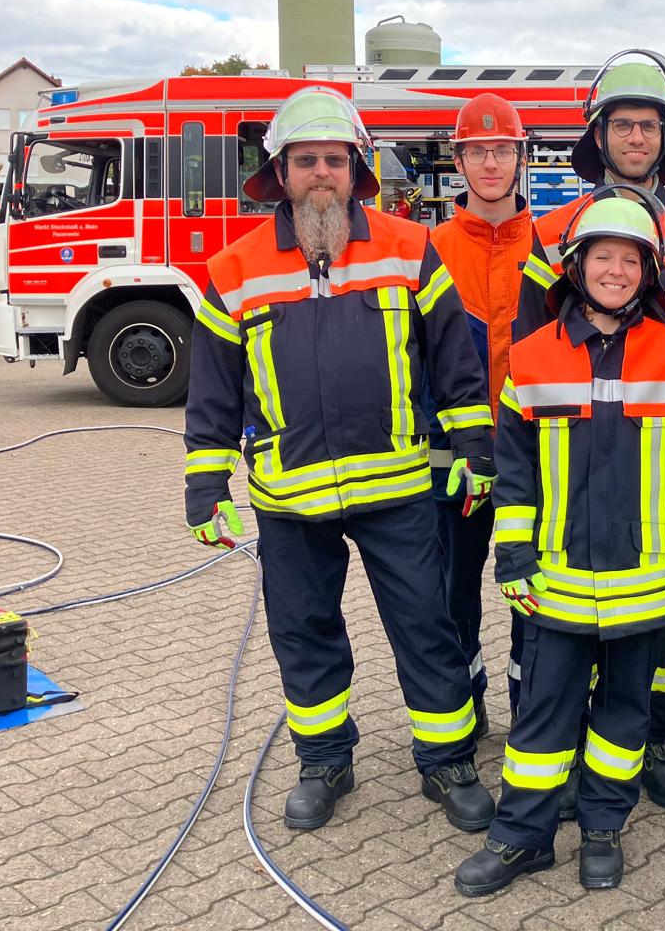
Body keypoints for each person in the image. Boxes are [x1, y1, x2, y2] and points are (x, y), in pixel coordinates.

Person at [183, 87, 497, 834]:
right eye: (305, 160)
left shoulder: (408, 248)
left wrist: (476, 452)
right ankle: (324, 759)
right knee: (304, 629)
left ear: (356, 169)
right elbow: (214, 392)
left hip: (398, 490)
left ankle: (447, 762)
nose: (320, 172)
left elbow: (455, 363)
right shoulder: (233, 270)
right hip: (289, 501)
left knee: (426, 624)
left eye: (333, 159)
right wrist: (205, 487)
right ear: (280, 172)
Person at [455, 187, 665, 896]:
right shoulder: (534, 357)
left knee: (624, 716)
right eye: (602, 256)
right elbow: (514, 475)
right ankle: (522, 838)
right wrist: (513, 559)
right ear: (576, 267)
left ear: (650, 274)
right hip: (556, 583)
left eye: (630, 260)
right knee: (542, 715)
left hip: (648, 583)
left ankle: (604, 828)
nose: (615, 271)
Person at [513, 49, 665, 812]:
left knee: (659, 621)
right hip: (574, 445)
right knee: (554, 619)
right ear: (597, 135)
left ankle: (655, 741)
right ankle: (558, 753)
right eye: (623, 124)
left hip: (663, 440)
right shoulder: (553, 229)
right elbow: (534, 344)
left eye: (649, 126)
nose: (636, 138)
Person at [426, 93, 535, 739]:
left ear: (520, 158)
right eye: (478, 150)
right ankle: (462, 710)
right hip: (453, 460)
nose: (491, 162)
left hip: (532, 459)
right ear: (459, 159)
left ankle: (535, 717)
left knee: (536, 593)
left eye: (503, 150)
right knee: (449, 595)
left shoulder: (555, 246)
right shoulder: (429, 249)